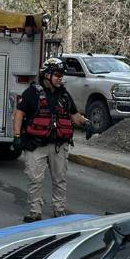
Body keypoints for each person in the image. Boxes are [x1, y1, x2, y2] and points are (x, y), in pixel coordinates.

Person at [12, 60, 90, 222]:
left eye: (62, 75)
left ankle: (59, 210)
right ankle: (35, 212)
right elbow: (19, 113)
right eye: (57, 75)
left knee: (60, 179)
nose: (61, 78)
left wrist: (86, 123)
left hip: (59, 146)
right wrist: (17, 136)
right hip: (35, 145)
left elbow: (74, 115)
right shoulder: (31, 93)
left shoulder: (64, 95)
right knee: (35, 179)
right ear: (47, 75)